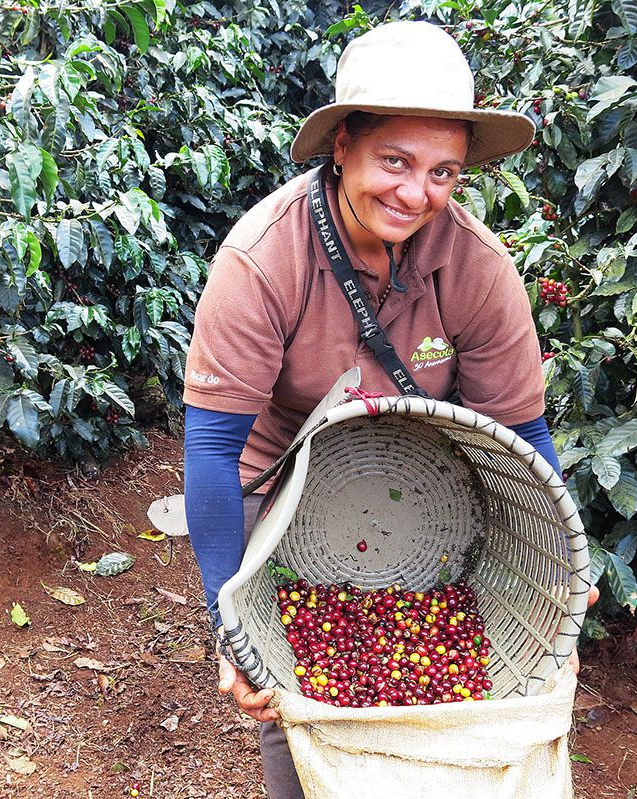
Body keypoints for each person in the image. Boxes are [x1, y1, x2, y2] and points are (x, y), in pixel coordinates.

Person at [181, 20, 596, 798]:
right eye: (395, 161)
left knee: (434, 721)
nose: (417, 194)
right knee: (293, 701)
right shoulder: (263, 258)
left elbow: (525, 433)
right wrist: (226, 619)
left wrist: (560, 579)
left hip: (423, 492)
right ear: (341, 144)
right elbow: (211, 445)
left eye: (444, 173)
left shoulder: (476, 267)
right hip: (281, 481)